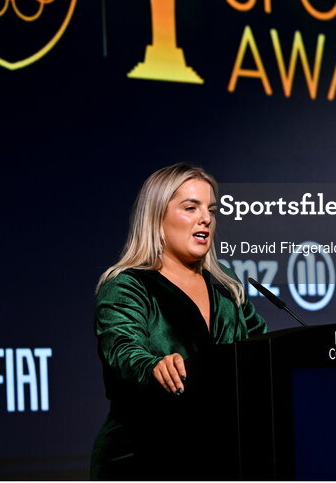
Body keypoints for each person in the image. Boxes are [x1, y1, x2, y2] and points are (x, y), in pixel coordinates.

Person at [90, 163, 267, 480]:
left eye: (210, 209)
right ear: (157, 218)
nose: (206, 219)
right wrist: (154, 365)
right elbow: (123, 349)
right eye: (191, 207)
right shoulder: (127, 286)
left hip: (220, 459)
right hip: (144, 460)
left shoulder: (229, 292)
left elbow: (266, 355)